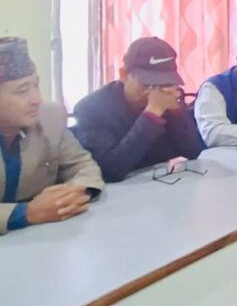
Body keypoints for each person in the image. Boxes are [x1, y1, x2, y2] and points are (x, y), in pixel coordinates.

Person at [0, 37, 103, 235]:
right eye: (22, 91)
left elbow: (82, 165)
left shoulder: (50, 117)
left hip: (41, 237)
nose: (37, 99)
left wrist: (73, 195)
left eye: (36, 85)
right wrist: (26, 213)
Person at [72, 37, 204, 182]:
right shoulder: (92, 109)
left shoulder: (167, 99)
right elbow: (109, 170)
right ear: (124, 75)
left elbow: (194, 152)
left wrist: (177, 114)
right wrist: (152, 114)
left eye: (165, 83)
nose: (154, 93)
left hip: (160, 185)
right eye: (148, 84)